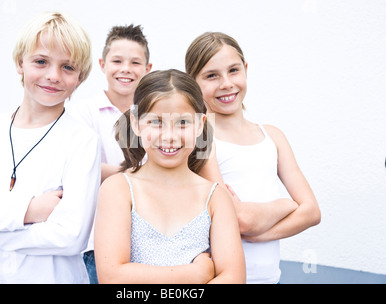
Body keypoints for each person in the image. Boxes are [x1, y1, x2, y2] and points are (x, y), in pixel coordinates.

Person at [0, 12, 101, 283]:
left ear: (80, 78)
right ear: (19, 63)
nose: (53, 75)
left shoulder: (82, 140)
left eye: (67, 67)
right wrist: (30, 211)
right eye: (41, 61)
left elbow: (70, 236)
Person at [185, 32, 321, 284]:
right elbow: (239, 219)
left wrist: (259, 234)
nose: (226, 83)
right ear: (193, 82)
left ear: (245, 69)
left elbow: (312, 212)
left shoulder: (273, 136)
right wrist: (287, 205)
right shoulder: (202, 138)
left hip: (271, 278)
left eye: (233, 70)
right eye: (211, 75)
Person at [94, 69, 246, 284]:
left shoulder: (215, 197)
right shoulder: (118, 189)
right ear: (136, 124)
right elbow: (112, 277)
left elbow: (233, 278)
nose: (169, 136)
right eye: (156, 122)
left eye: (183, 123)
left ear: (200, 125)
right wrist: (194, 275)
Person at [68, 24, 152, 283]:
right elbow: (87, 169)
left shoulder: (154, 112)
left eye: (135, 62)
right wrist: (150, 176)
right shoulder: (83, 112)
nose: (126, 68)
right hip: (99, 241)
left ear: (148, 69)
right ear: (103, 64)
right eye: (117, 61)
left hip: (149, 241)